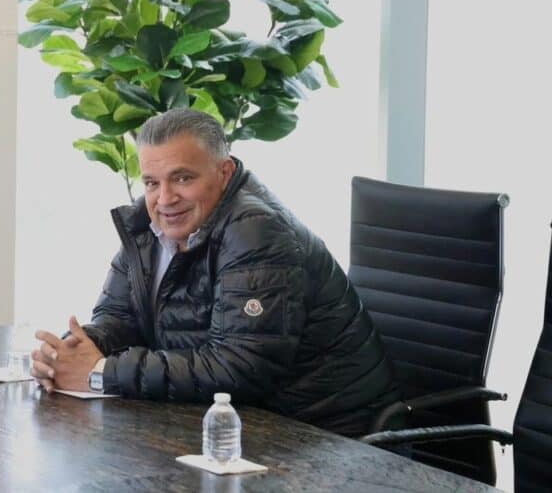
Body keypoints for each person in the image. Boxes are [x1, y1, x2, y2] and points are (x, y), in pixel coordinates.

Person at [31, 108, 399, 436]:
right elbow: (119, 319)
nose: (165, 198)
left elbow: (239, 367)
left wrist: (102, 372)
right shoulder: (148, 225)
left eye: (183, 178)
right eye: (152, 182)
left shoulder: (256, 232)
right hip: (232, 425)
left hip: (326, 436)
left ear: (224, 173)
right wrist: (70, 353)